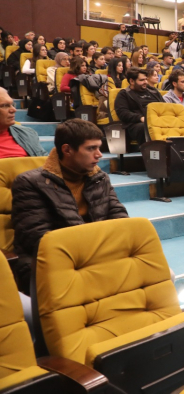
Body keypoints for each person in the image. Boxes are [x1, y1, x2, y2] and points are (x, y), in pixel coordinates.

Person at [11, 119, 128, 294]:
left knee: (161, 273)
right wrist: (95, 250)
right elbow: (37, 237)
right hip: (52, 260)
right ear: (67, 150)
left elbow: (118, 215)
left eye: (99, 147)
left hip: (97, 253)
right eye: (91, 148)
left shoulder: (99, 177)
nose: (99, 154)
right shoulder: (29, 183)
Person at [114, 69, 165, 144]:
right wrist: (140, 118)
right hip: (137, 123)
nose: (145, 82)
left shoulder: (153, 91)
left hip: (158, 121)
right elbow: (123, 113)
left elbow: (165, 107)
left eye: (146, 79)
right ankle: (151, 149)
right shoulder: (124, 94)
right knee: (145, 127)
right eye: (142, 80)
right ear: (132, 81)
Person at [0, 88, 45, 157]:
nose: (13, 110)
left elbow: (45, 160)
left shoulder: (28, 133)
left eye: (12, 104)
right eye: (5, 105)